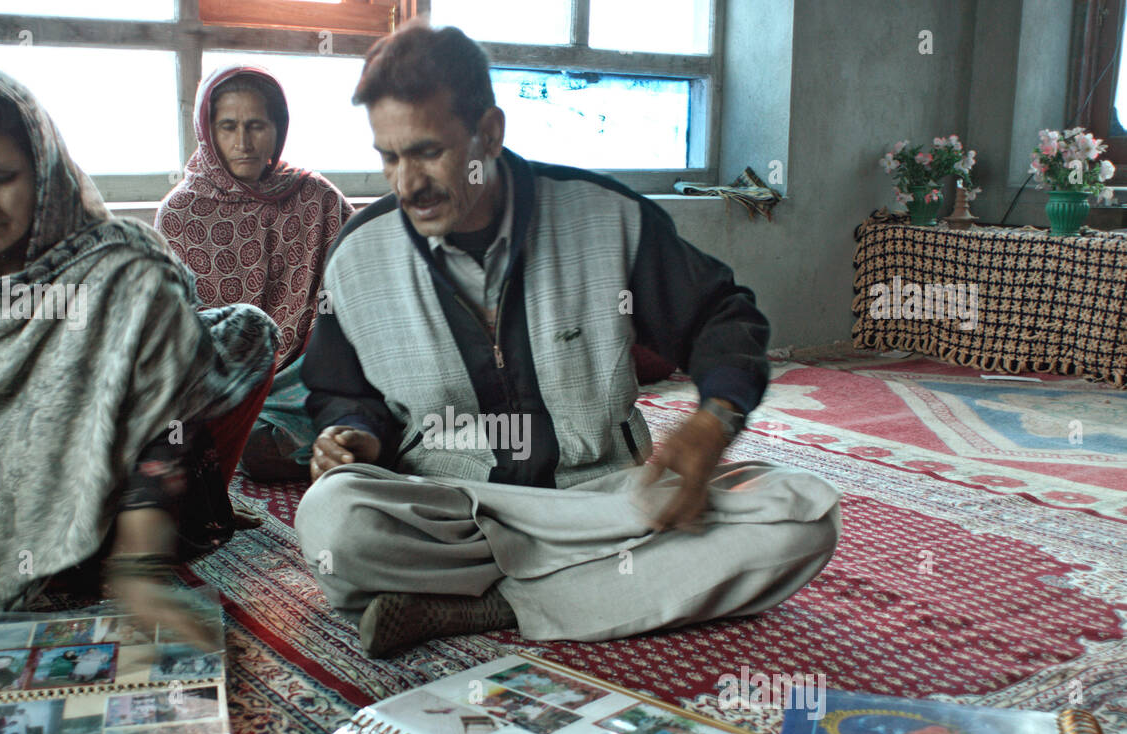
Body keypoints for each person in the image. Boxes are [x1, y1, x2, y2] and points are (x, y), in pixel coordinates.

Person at [293, 22, 843, 658]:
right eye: (388, 157)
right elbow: (342, 392)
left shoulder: (606, 216)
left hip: (605, 501)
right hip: (449, 508)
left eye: (426, 151)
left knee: (798, 517)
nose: (406, 182)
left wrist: (712, 423)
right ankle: (574, 595)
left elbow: (723, 316)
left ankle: (483, 606)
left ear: (489, 134)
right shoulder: (358, 256)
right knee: (335, 519)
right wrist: (352, 433)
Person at [0, 68, 279, 652]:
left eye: (1, 176)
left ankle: (147, 530)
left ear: (43, 171)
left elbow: (162, 409)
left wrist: (140, 568)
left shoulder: (121, 262)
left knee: (245, 335)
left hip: (113, 472)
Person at [156, 64, 354, 480]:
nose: (243, 142)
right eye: (227, 127)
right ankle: (309, 446)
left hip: (306, 373)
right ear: (208, 132)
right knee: (251, 443)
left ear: (277, 129)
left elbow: (362, 273)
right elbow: (175, 331)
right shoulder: (180, 212)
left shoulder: (314, 196)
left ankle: (337, 439)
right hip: (226, 381)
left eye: (256, 125)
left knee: (360, 381)